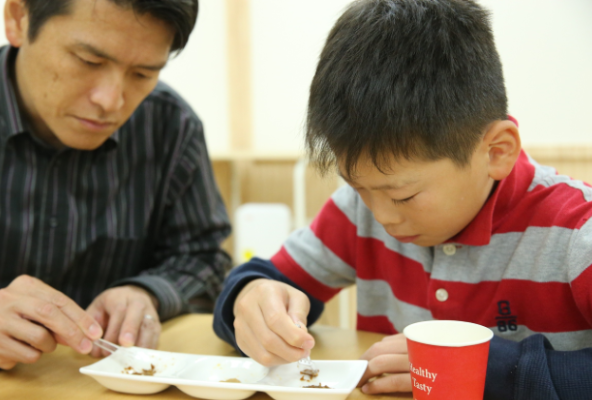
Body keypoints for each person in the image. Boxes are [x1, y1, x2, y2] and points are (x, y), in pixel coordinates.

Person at [213, 0, 592, 398]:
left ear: (496, 152)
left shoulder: (575, 233)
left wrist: (497, 370)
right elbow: (268, 282)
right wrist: (249, 300)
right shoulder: (358, 209)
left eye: (404, 195)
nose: (380, 215)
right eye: (359, 186)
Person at [0, 0, 231, 370]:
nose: (111, 101)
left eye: (142, 74)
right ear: (18, 18)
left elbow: (204, 259)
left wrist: (148, 292)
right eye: (88, 61)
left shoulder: (171, 128)